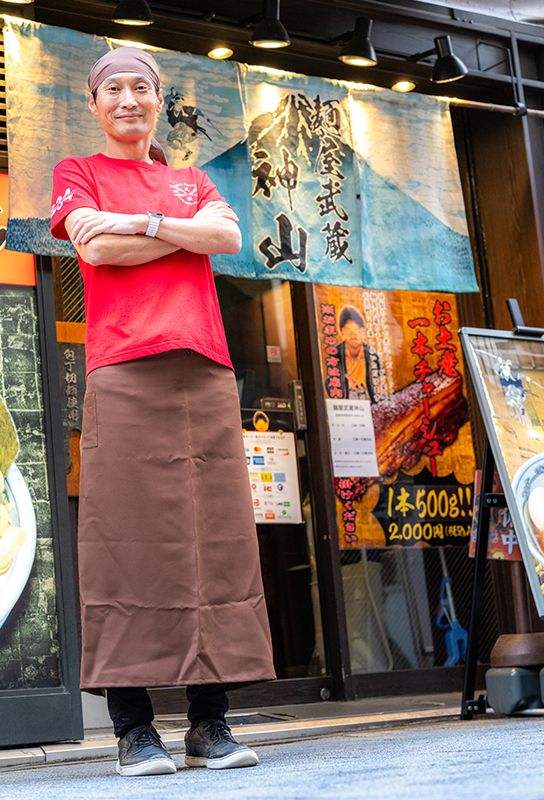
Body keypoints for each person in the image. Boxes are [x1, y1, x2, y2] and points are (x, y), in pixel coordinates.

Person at [50, 47, 275, 778]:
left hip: (205, 367)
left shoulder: (193, 178)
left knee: (214, 541)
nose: (127, 99)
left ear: (156, 99)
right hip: (121, 367)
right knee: (124, 541)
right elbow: (93, 243)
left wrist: (140, 223)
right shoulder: (75, 173)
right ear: (94, 102)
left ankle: (210, 725)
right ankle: (133, 729)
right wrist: (174, 228)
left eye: (140, 87)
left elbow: (229, 238)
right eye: (112, 87)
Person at [335, 305, 380, 403]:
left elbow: (379, 383)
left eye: (356, 331)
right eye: (348, 331)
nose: (353, 335)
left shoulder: (371, 355)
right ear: (342, 332)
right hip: (346, 405)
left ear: (362, 332)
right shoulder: (336, 354)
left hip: (368, 402)